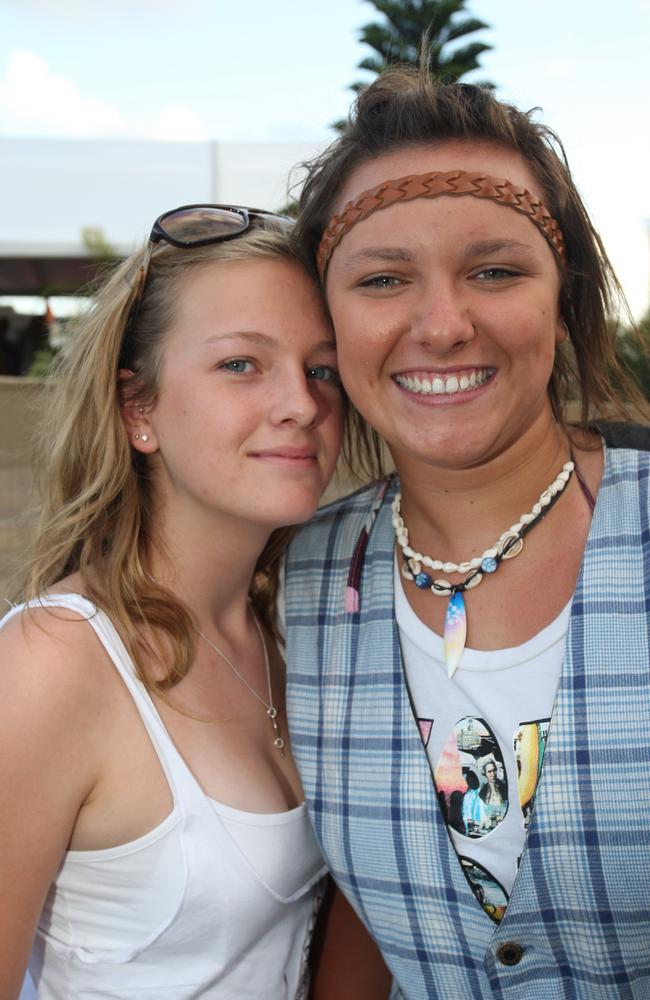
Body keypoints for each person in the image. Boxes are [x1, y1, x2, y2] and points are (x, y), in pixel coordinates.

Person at [283, 66, 650, 998]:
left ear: (561, 309)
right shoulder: (297, 578)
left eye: (494, 271)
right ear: (329, 326)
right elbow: (360, 920)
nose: (443, 325)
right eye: (382, 279)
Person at [0, 204, 384, 1000]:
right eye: (242, 364)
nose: (301, 405)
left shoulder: (295, 638)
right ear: (140, 410)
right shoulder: (53, 663)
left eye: (321, 368)